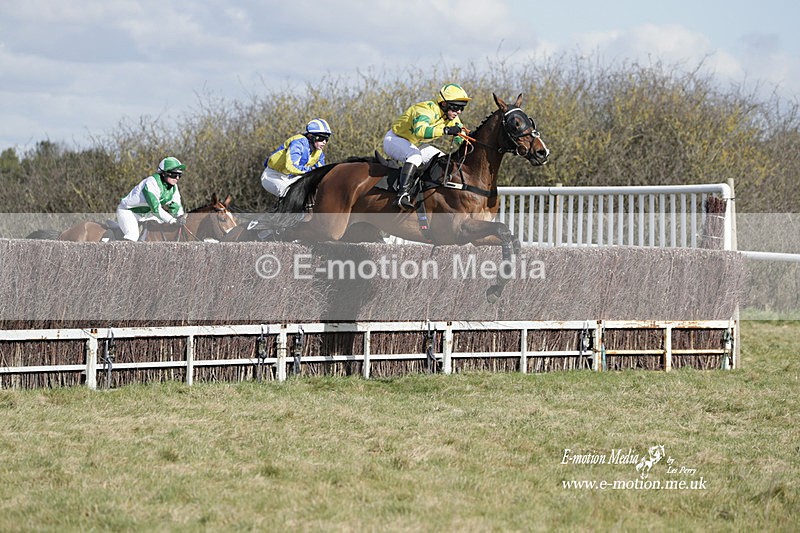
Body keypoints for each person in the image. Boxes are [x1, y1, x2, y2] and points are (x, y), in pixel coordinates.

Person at [383, 83, 471, 209]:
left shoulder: (451, 116)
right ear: (444, 104)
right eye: (456, 107)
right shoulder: (425, 109)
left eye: (462, 108)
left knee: (443, 159)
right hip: (395, 139)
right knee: (415, 157)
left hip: (414, 144)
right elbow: (421, 131)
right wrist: (446, 131)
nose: (459, 112)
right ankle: (402, 195)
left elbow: (460, 137)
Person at [116, 156, 186, 241]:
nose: (177, 178)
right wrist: (172, 220)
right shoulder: (151, 183)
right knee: (132, 235)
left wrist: (180, 217)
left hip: (147, 215)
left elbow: (176, 206)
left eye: (179, 175)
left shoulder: (174, 188)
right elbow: (156, 209)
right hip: (129, 212)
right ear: (163, 173)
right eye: (174, 174)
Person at [260, 118, 333, 198]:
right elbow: (291, 166)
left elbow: (320, 171)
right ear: (310, 136)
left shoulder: (319, 152)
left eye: (326, 139)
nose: (324, 142)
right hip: (273, 176)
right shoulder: (298, 144)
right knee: (291, 195)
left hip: (292, 177)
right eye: (321, 138)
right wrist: (310, 170)